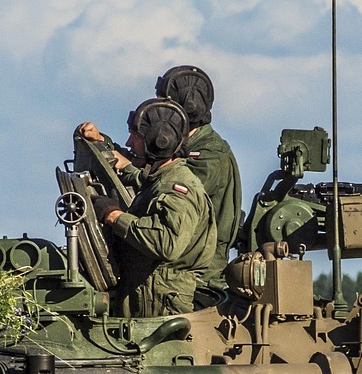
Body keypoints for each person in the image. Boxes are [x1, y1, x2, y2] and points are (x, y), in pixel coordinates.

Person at [76, 65, 241, 288]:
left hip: (191, 273)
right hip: (165, 271)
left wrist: (116, 210)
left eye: (166, 104)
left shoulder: (209, 157)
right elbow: (147, 158)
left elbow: (163, 185)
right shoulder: (176, 150)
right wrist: (101, 143)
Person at [90, 99, 216, 317]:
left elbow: (167, 243)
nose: (129, 143)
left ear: (159, 142)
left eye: (136, 137)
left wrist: (114, 217)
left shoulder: (178, 188)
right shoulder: (158, 180)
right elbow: (139, 177)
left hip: (160, 302)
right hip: (147, 293)